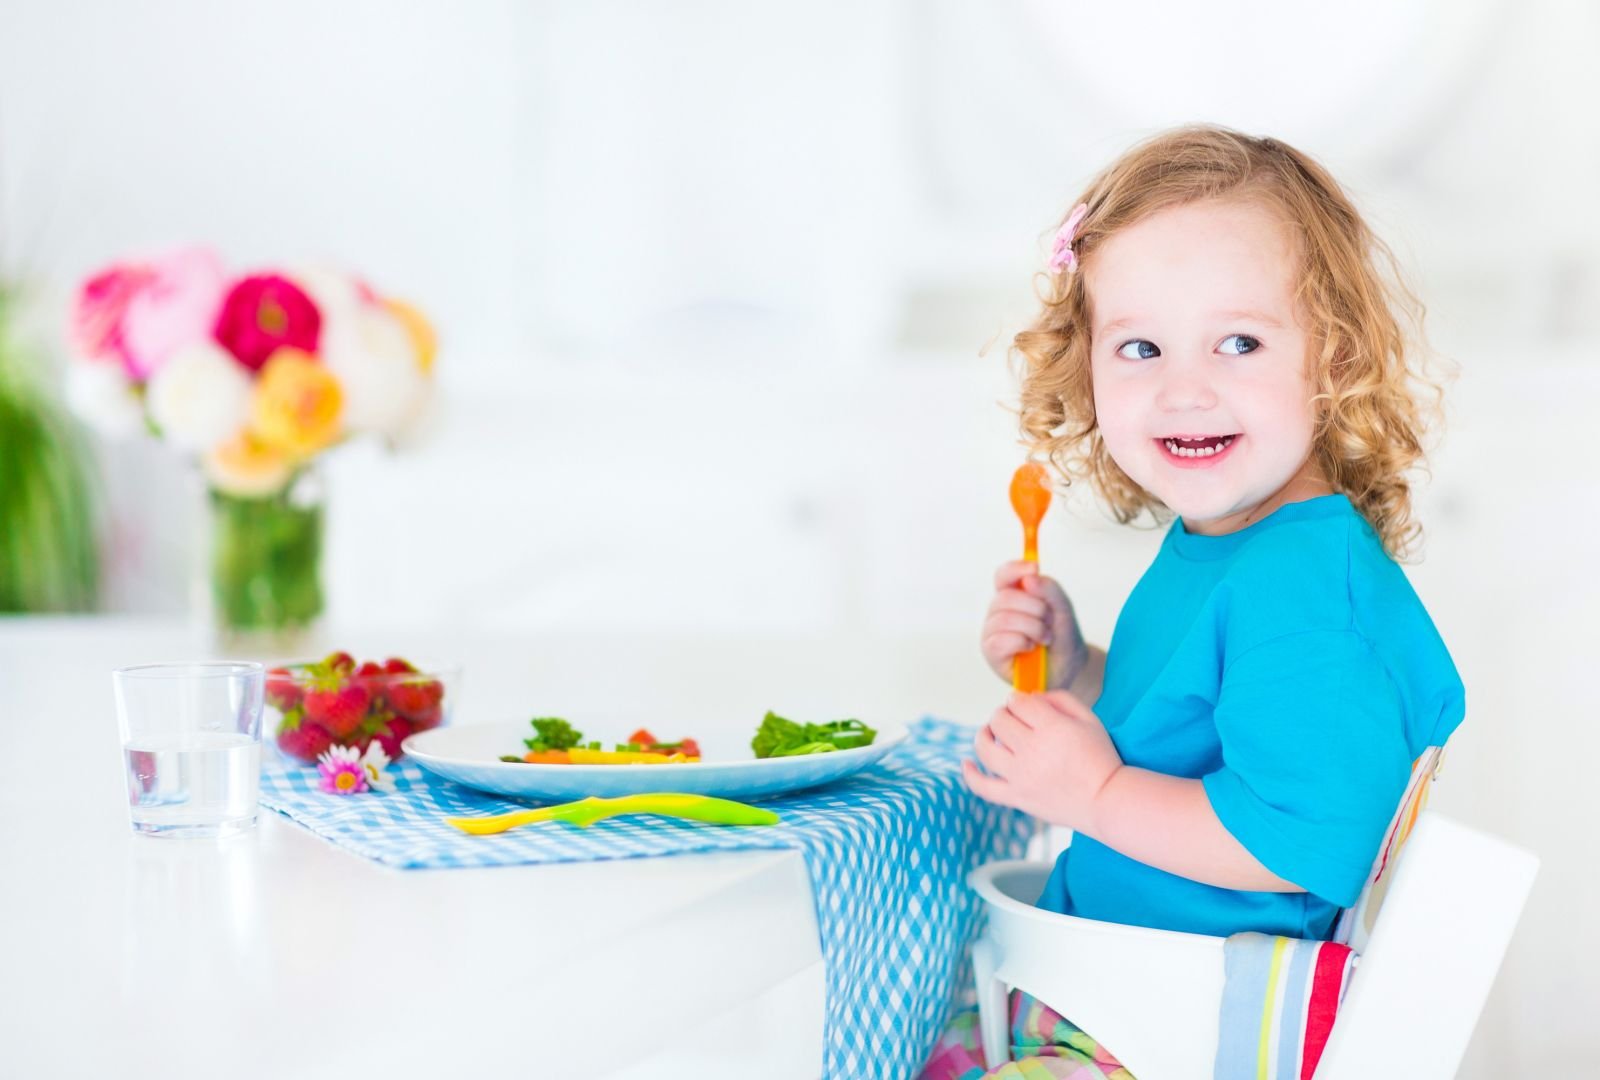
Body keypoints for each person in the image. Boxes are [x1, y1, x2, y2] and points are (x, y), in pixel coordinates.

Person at [970, 125, 1465, 943]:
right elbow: (1193, 727)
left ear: (1334, 359)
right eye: (1141, 347)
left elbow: (1308, 843)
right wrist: (1076, 669)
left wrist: (1095, 796)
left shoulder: (1303, 591)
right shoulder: (1233, 547)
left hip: (1201, 1005)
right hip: (1126, 977)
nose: (1184, 389)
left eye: (1239, 342)